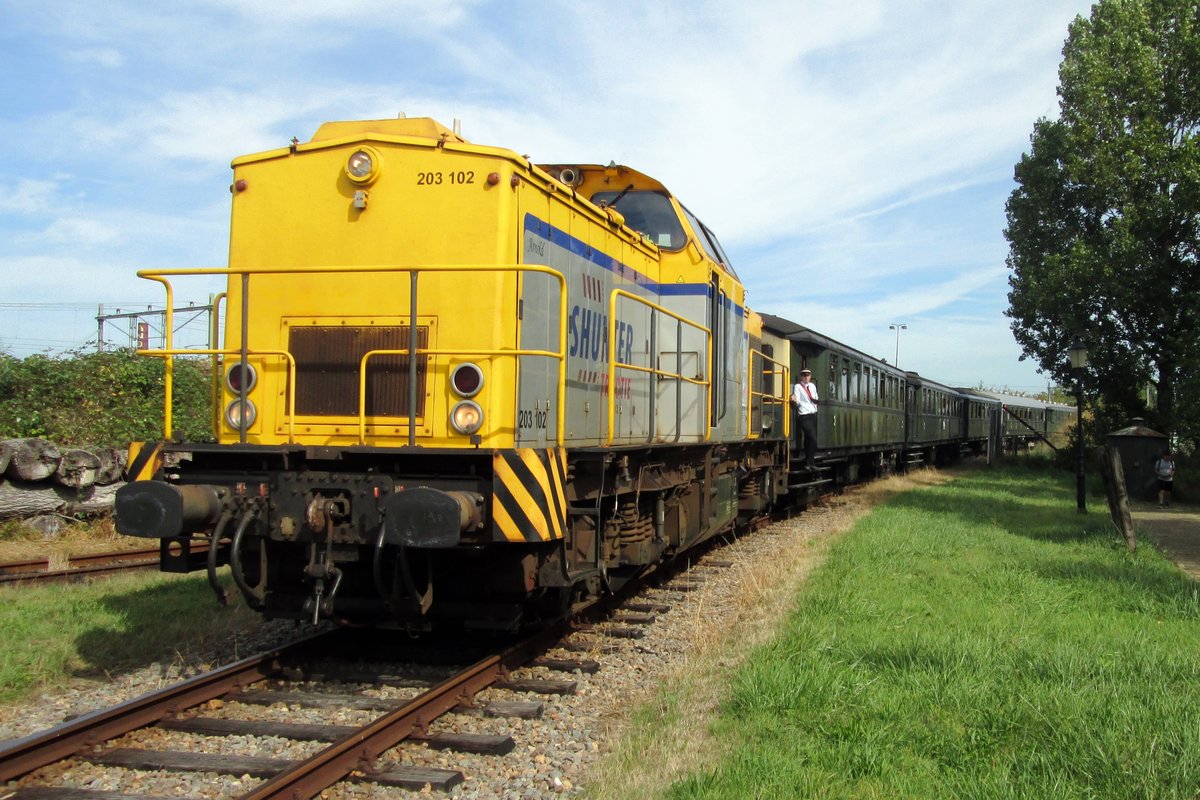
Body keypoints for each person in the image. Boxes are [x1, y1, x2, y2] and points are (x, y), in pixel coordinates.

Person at [791, 368, 819, 469]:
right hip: (804, 415)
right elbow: (797, 401)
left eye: (807, 375)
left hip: (812, 414)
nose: (806, 377)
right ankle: (808, 462)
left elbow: (815, 397)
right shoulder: (798, 387)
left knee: (808, 440)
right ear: (801, 377)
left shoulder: (812, 386)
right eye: (804, 375)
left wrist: (815, 408)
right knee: (813, 439)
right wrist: (794, 400)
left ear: (810, 376)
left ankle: (810, 463)